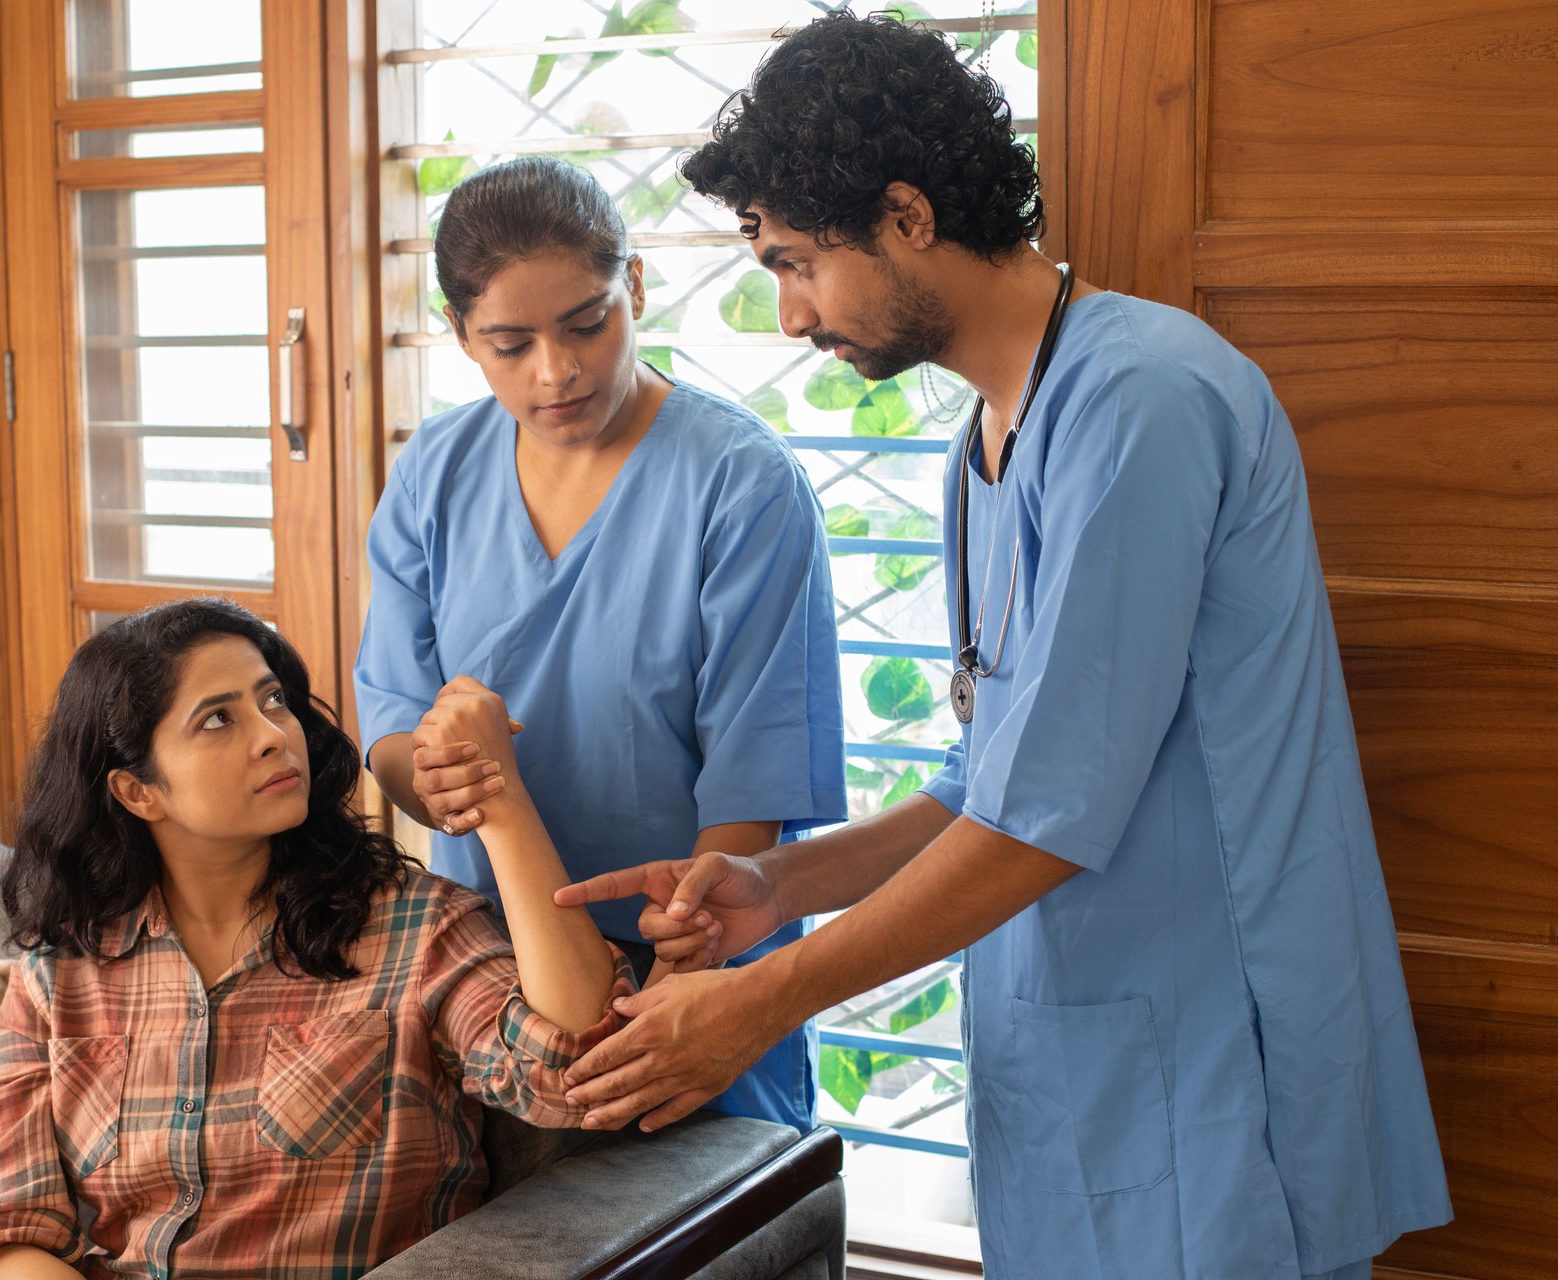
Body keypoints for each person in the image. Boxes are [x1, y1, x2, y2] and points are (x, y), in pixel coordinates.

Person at [542, 12, 1453, 1280]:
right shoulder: (982, 446)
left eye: (799, 261)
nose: (792, 316)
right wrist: (782, 893)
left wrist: (759, 1002)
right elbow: (996, 779)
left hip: (1207, 1066)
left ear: (908, 214)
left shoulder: (1144, 400)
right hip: (1073, 1065)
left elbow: (1044, 819)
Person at [353, 156, 845, 1130]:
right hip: (498, 988)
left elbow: (754, 792)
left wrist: (667, 993)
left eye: (588, 322)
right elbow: (392, 731)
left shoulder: (742, 487)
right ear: (461, 337)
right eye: (511, 342)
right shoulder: (435, 477)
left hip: (700, 968)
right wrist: (451, 776)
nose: (558, 368)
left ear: (636, 288)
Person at [0, 598, 630, 1280]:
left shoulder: (415, 928)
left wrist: (495, 797)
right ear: (138, 791)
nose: (273, 733)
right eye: (217, 719)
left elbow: (576, 1069)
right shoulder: (61, 973)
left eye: (272, 701)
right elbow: (2, 1229)